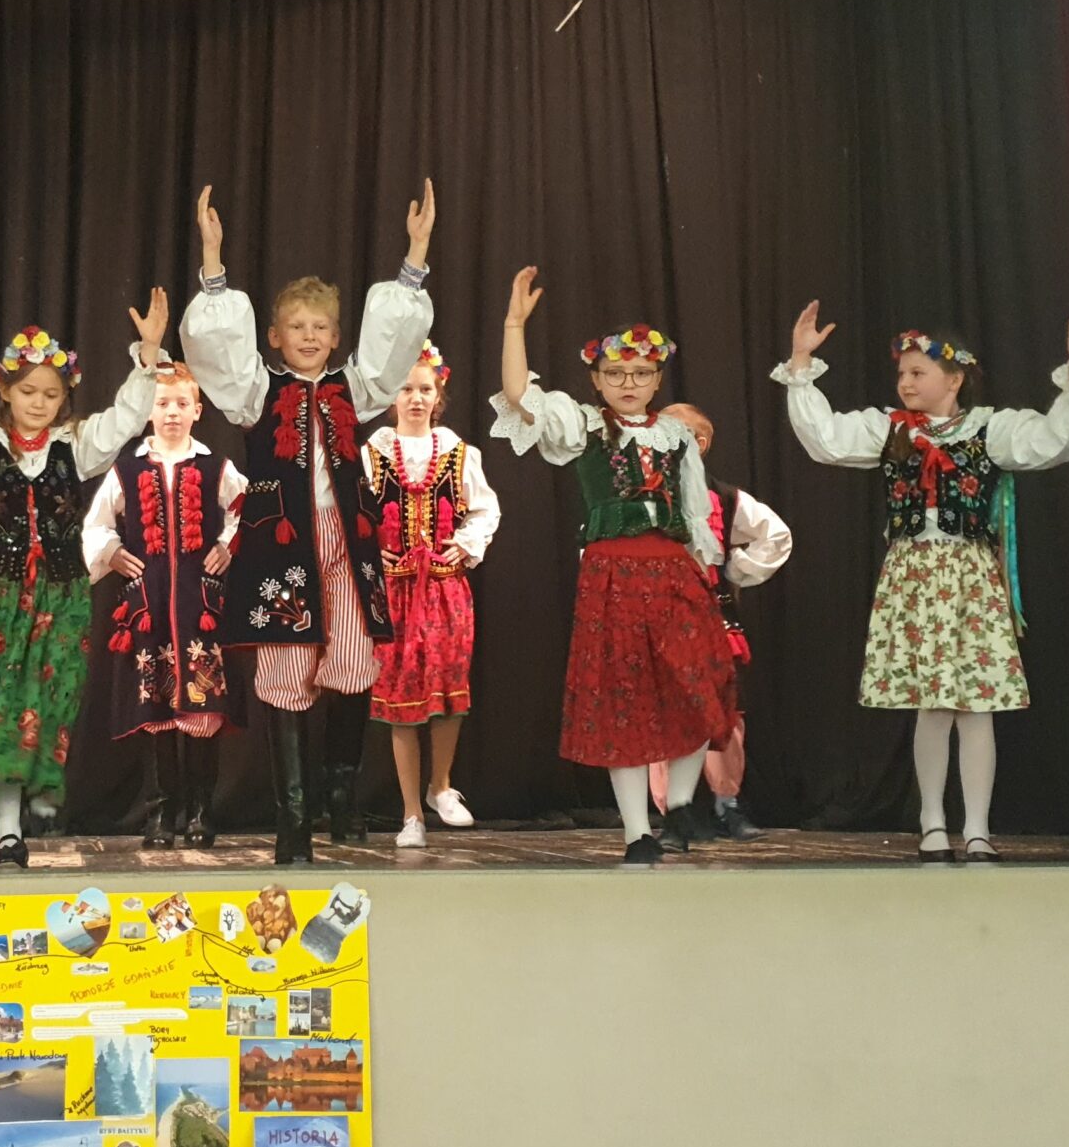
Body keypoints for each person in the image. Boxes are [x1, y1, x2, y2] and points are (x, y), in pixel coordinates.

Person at [775, 300, 1069, 863]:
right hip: (914, 575)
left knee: (976, 707)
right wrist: (801, 364)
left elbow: (1053, 442)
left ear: (954, 379)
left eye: (918, 372)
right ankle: (932, 822)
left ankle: (976, 828)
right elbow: (826, 438)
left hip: (970, 576)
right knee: (931, 706)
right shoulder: (889, 429)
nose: (905, 382)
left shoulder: (989, 429)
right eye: (902, 373)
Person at [180, 180, 439, 864]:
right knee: (286, 668)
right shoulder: (256, 392)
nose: (310, 337)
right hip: (281, 546)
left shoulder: (356, 388)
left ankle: (340, 790)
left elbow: (393, 346)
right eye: (297, 327)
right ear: (275, 336)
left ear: (336, 337)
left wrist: (415, 254)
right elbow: (217, 351)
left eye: (321, 328)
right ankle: (293, 815)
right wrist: (213, 262)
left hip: (347, 540)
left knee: (353, 663)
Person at [0, 266, 169, 867]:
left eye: (51, 395)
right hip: (5, 596)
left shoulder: (73, 447)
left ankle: (38, 794)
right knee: (5, 706)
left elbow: (122, 421)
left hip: (61, 595)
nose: (38, 403)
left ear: (64, 399)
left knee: (48, 703)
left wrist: (148, 358)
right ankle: (9, 831)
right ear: (5, 391)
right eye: (28, 392)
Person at [493, 267, 734, 866]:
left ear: (658, 379)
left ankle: (680, 805)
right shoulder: (585, 424)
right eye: (616, 374)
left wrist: (703, 572)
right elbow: (521, 396)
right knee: (622, 701)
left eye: (641, 373)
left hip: (673, 571)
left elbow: (696, 511)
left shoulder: (676, 435)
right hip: (613, 575)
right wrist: (514, 325)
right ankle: (636, 833)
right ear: (597, 379)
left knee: (698, 684)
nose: (629, 383)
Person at [82, 362, 245, 849]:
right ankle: (160, 815)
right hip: (148, 606)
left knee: (203, 710)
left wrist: (228, 545)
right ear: (147, 411)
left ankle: (200, 811)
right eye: (162, 403)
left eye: (181, 404)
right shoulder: (127, 470)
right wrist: (112, 552)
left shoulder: (215, 467)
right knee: (154, 710)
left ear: (198, 410)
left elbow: (247, 510)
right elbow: (96, 525)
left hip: (201, 606)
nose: (172, 412)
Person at [363, 343, 499, 848]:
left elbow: (485, 509)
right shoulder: (372, 454)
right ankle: (411, 814)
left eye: (425, 389)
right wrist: (369, 552)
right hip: (394, 592)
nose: (416, 398)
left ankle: (441, 786)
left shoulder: (459, 453)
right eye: (406, 389)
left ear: (438, 394)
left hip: (444, 588)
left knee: (447, 690)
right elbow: (354, 517)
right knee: (401, 699)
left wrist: (464, 544)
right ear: (392, 397)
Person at [649, 402, 792, 841]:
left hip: (710, 618)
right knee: (661, 711)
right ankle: (671, 811)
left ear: (700, 443)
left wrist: (735, 569)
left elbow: (776, 536)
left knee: (723, 711)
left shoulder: (726, 499)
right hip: (655, 617)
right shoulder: (639, 496)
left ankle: (726, 802)